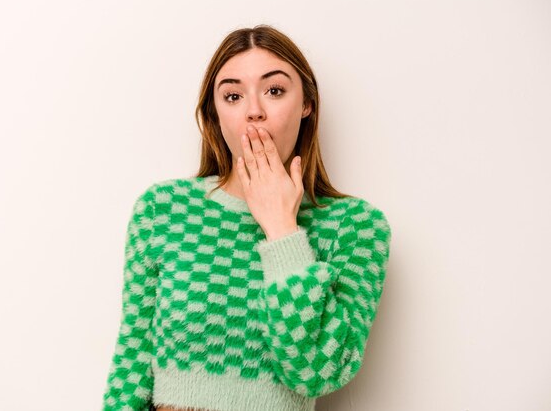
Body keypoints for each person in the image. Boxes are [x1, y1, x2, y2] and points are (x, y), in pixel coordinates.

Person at [101, 24, 392, 411]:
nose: (254, 111)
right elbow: (132, 363)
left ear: (306, 104)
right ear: (215, 114)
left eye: (274, 91)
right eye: (233, 96)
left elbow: (318, 373)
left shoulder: (356, 226)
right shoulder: (163, 209)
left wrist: (282, 231)